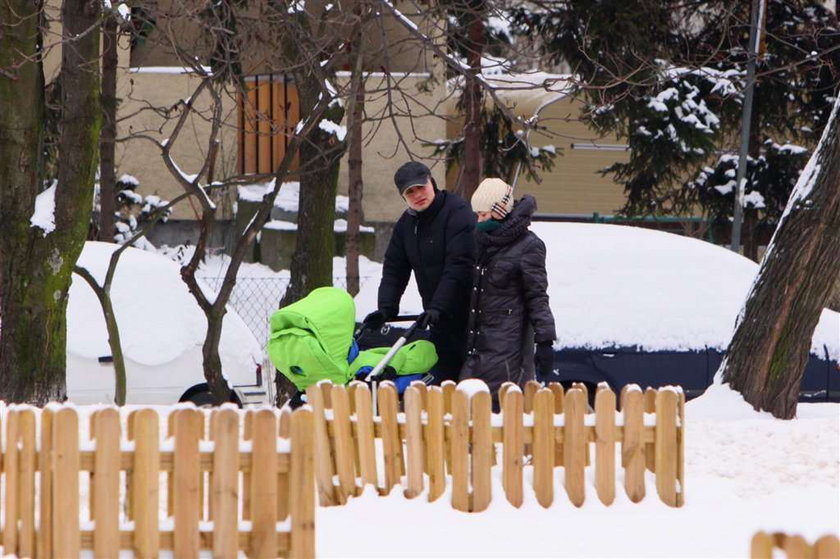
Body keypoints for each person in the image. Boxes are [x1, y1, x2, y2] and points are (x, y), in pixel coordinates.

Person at [363, 161, 475, 384]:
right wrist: (386, 308)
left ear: (431, 182)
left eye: (420, 187)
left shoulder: (457, 212)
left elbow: (459, 265)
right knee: (444, 383)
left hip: (472, 319)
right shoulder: (407, 225)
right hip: (438, 320)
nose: (417, 195)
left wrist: (438, 306)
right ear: (403, 197)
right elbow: (394, 268)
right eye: (409, 192)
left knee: (470, 385)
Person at [459, 177, 556, 401]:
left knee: (498, 415)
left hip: (507, 350)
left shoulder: (528, 246)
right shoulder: (481, 240)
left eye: (484, 214)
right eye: (477, 215)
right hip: (477, 346)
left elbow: (537, 296)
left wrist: (545, 340)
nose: (479, 220)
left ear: (500, 211)